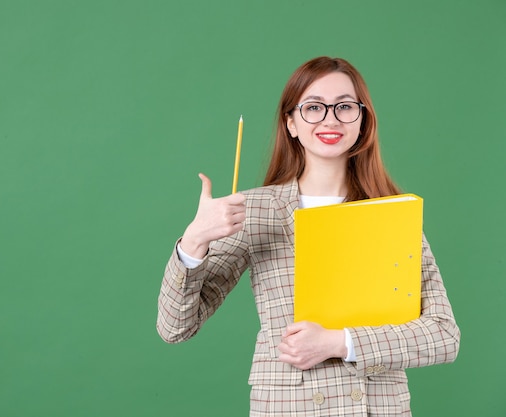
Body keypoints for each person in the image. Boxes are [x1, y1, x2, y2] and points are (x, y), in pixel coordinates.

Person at [156, 56, 460, 416]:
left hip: (377, 408)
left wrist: (339, 342)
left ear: (362, 121)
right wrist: (194, 241)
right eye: (314, 107)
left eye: (345, 107)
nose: (330, 119)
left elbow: (444, 336)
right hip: (290, 407)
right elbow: (175, 328)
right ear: (291, 123)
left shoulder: (394, 214)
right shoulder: (256, 211)